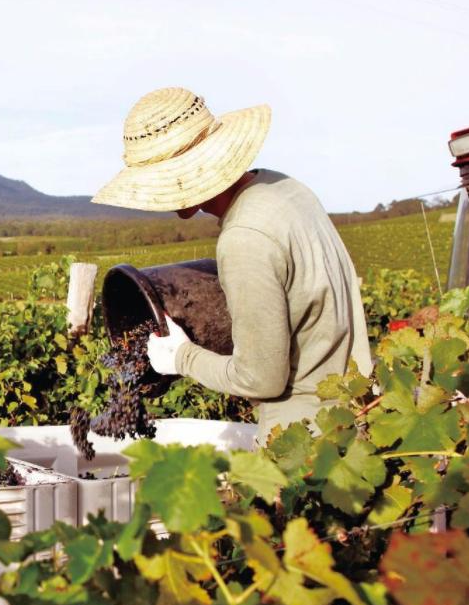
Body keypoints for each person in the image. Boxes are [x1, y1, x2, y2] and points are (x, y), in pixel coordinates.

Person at [92, 87, 372, 442]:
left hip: (305, 441)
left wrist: (182, 358)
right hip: (353, 411)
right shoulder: (283, 188)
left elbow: (260, 378)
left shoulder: (244, 238)